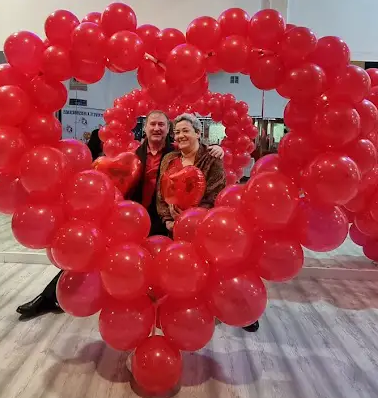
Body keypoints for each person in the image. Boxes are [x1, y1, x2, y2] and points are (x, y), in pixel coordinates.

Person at [17, 111, 224, 319]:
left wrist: (217, 148)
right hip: (130, 215)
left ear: (167, 130)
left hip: (161, 217)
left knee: (182, 261)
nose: (157, 129)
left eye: (162, 125)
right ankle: (48, 297)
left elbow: (195, 165)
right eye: (153, 124)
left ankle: (227, 305)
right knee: (93, 249)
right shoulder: (133, 153)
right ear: (145, 128)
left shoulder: (174, 154)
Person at [156, 113, 260, 333]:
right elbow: (161, 193)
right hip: (173, 226)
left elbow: (216, 194)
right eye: (177, 132)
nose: (181, 135)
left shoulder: (211, 157)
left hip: (203, 225)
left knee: (216, 271)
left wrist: (191, 216)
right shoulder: (169, 159)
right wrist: (167, 219)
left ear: (197, 132)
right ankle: (182, 311)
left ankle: (242, 311)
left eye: (186, 130)